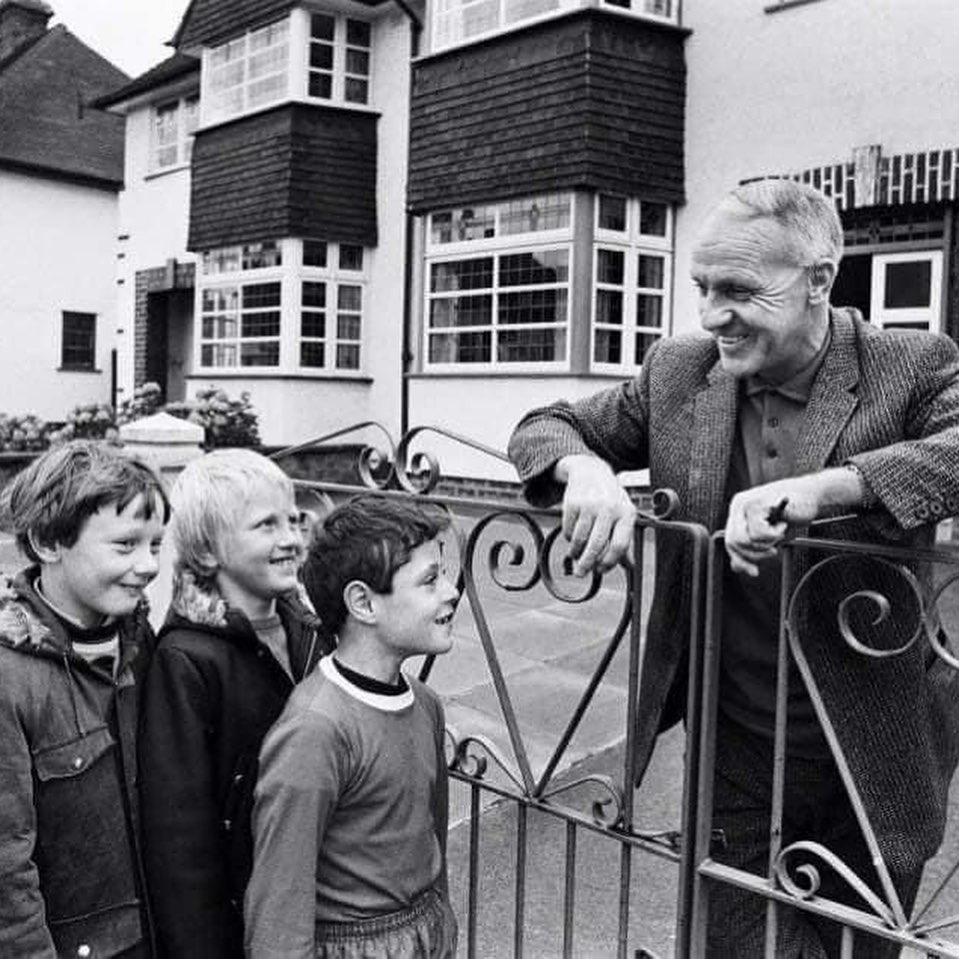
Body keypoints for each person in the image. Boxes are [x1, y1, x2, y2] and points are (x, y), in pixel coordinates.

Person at [508, 178, 959, 956]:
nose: (713, 314)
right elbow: (545, 425)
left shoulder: (910, 362)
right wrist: (584, 469)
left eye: (740, 290)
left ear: (818, 279)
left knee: (857, 945)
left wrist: (828, 488)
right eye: (702, 288)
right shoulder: (681, 368)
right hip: (737, 742)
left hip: (875, 742)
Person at [245, 494, 459, 959]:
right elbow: (279, 907)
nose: (450, 591)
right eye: (429, 581)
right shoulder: (315, 731)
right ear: (363, 602)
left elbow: (432, 846)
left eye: (442, 573)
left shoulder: (425, 705)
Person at [139, 449, 332, 958]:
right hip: (242, 915)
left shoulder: (310, 630)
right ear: (206, 553)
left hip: (319, 898)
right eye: (265, 526)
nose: (291, 539)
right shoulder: (186, 661)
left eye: (293, 521)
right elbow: (180, 840)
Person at [0, 440, 169, 957]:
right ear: (49, 542)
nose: (147, 566)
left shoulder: (144, 643)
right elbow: (7, 864)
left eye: (156, 544)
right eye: (125, 545)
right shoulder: (10, 676)